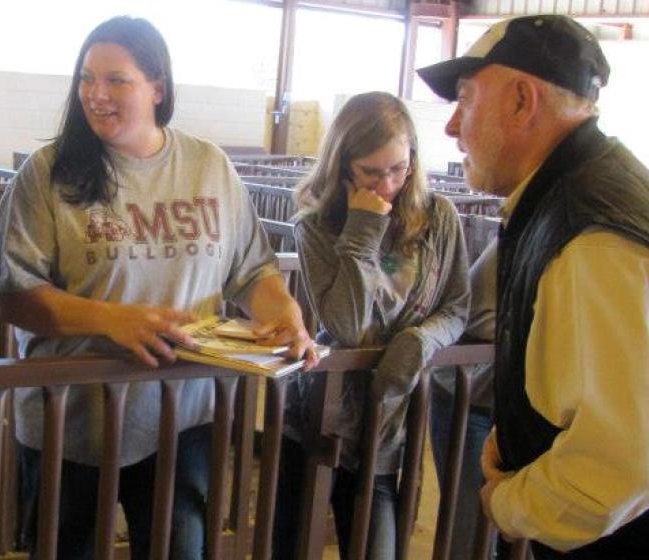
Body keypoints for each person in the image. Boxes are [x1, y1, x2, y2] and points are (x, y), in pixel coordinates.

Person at [0, 16, 318, 560]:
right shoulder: (49, 173)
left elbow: (252, 270)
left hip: (185, 412)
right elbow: (9, 293)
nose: (96, 94)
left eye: (117, 80)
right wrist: (109, 319)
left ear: (157, 87)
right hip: (71, 419)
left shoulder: (207, 166)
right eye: (87, 79)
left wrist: (284, 313)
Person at [418, 14, 649, 558]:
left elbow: (619, 460)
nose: (453, 127)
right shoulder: (578, 195)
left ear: (522, 101)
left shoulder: (589, 235)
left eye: (465, 99)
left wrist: (508, 504)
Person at [274, 91, 470, 559]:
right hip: (318, 420)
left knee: (377, 546)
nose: (387, 185)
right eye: (371, 172)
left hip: (389, 422)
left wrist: (422, 340)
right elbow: (346, 325)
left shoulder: (439, 217)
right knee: (293, 546)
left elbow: (457, 306)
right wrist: (363, 227)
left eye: (399, 169)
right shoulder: (316, 227)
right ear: (344, 166)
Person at [428, 238, 496, 560]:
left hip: (515, 400)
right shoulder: (541, 224)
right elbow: (471, 315)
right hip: (467, 391)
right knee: (471, 521)